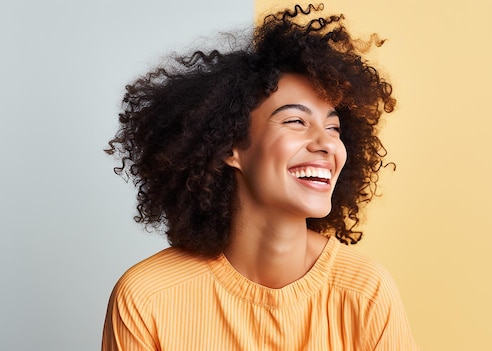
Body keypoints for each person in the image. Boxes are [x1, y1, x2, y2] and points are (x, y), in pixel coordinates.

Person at [102, 3, 417, 350]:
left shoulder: (365, 292)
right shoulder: (148, 298)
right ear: (229, 146)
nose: (327, 144)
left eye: (333, 127)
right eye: (296, 121)